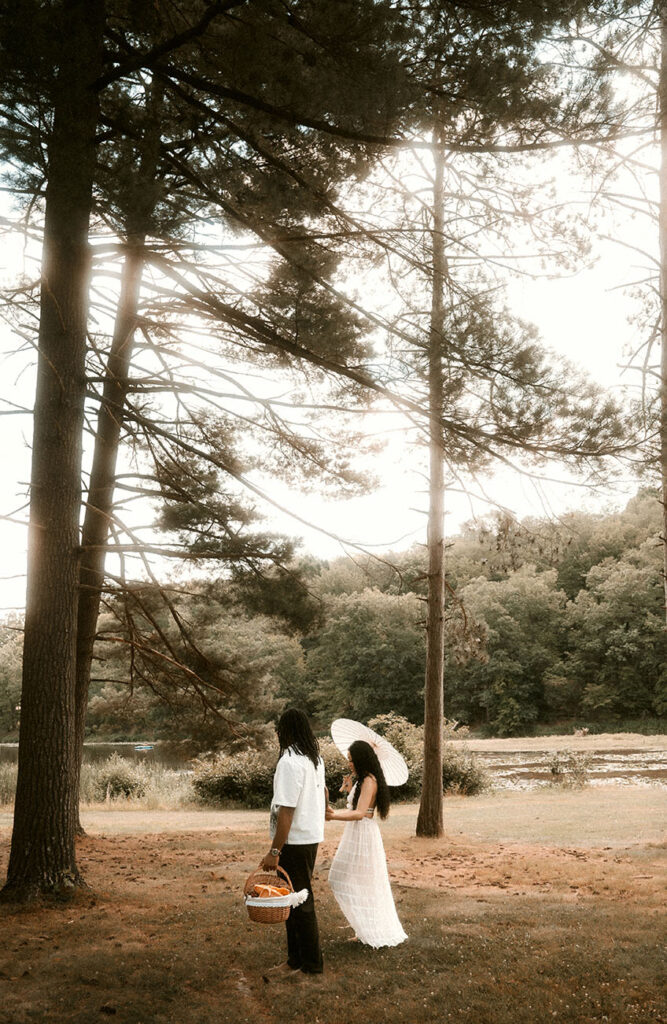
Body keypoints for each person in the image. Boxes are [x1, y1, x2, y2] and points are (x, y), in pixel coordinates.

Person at [260, 708, 327, 979]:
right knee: (293, 901)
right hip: (310, 837)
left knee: (299, 902)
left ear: (284, 732)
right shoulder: (314, 758)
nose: (277, 734)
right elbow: (323, 793)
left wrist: (275, 850)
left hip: (296, 841)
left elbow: (286, 810)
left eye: (279, 730)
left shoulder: (289, 762)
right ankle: (296, 959)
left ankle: (310, 965)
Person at [326, 739, 407, 948]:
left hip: (363, 833)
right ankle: (362, 928)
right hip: (356, 832)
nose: (349, 764)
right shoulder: (363, 780)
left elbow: (360, 813)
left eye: (352, 760)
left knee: (348, 879)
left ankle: (368, 929)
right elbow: (357, 805)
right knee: (350, 879)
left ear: (361, 760)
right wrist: (348, 787)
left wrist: (333, 817)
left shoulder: (370, 780)